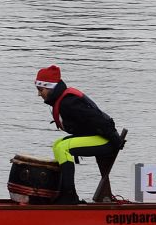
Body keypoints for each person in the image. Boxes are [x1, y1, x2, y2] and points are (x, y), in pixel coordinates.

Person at [35, 65, 124, 203]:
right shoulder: (62, 100)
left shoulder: (68, 102)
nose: (39, 94)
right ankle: (61, 192)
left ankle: (69, 196)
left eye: (41, 90)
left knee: (63, 147)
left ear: (51, 88)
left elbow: (98, 119)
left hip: (106, 140)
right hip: (97, 137)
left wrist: (115, 140)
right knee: (57, 144)